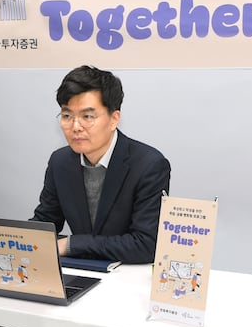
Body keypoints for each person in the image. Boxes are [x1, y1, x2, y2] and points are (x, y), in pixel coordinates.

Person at [31, 65, 171, 264]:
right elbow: (45, 223)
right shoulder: (60, 162)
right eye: (67, 116)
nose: (75, 127)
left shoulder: (149, 165)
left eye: (87, 117)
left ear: (114, 119)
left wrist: (72, 244)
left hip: (128, 273)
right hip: (80, 271)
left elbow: (146, 245)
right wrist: (12, 242)